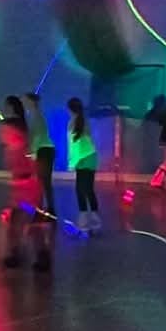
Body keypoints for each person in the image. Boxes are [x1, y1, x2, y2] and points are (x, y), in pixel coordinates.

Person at [0, 96, 49, 271]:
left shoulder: (17, 144)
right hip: (22, 185)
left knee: (28, 220)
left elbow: (28, 161)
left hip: (26, 185)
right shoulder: (18, 142)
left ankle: (35, 255)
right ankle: (21, 254)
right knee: (19, 220)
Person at [67, 97, 100, 234]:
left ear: (69, 109)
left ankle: (84, 220)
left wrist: (72, 163)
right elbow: (88, 142)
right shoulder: (84, 121)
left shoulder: (73, 123)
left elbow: (75, 147)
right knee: (88, 189)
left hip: (82, 159)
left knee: (80, 189)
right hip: (91, 157)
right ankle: (94, 219)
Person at [23, 93, 56, 216]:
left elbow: (38, 136)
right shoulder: (35, 116)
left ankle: (43, 209)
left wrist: (33, 152)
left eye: (25, 100)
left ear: (31, 102)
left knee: (42, 181)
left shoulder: (36, 117)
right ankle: (45, 208)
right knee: (43, 181)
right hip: (45, 150)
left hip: (43, 151)